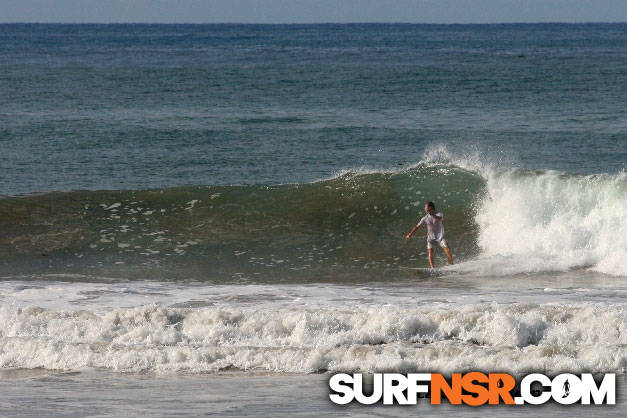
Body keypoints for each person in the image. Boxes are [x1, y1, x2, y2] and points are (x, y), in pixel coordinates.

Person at [405, 201, 453, 268]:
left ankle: (451, 264)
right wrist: (410, 234)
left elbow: (440, 219)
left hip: (440, 237)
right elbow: (417, 226)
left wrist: (432, 215)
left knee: (447, 249)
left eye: (426, 207)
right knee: (430, 253)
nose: (425, 208)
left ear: (430, 207)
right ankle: (433, 268)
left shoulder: (439, 214)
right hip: (431, 238)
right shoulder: (425, 218)